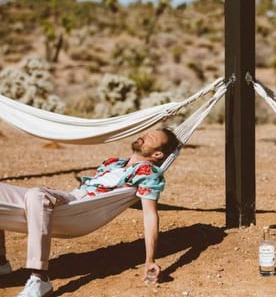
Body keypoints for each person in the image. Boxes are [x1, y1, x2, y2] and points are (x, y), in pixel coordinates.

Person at [0, 127, 181, 297]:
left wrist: (150, 259)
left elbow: (150, 215)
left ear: (157, 154)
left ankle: (40, 278)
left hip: (82, 211)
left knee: (37, 195)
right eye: (148, 133)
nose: (145, 135)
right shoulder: (113, 163)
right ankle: (1, 262)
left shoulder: (148, 173)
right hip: (73, 199)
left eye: (152, 138)